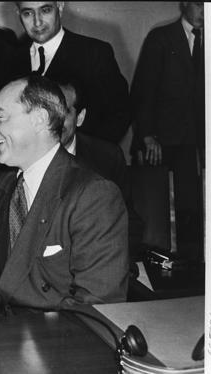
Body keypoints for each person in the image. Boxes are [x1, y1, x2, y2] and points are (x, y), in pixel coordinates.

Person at [0, 75, 129, 312]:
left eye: (0, 117)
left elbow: (99, 302)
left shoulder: (93, 195)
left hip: (58, 339)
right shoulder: (2, 183)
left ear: (40, 119)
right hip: (4, 331)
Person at [130, 2, 204, 257]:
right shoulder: (161, 38)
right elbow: (142, 91)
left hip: (199, 142)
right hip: (164, 140)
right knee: (162, 211)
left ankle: (195, 263)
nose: (205, 9)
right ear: (184, 4)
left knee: (196, 207)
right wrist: (147, 136)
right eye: (198, 3)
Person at [13, 2, 130, 144]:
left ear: (60, 7)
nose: (37, 22)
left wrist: (92, 157)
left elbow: (120, 113)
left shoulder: (94, 53)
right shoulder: (11, 56)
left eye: (45, 10)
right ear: (18, 13)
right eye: (28, 13)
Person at [57, 77, 143, 263]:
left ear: (80, 117)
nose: (54, 121)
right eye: (47, 111)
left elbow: (128, 222)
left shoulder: (107, 157)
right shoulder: (22, 155)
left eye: (64, 112)